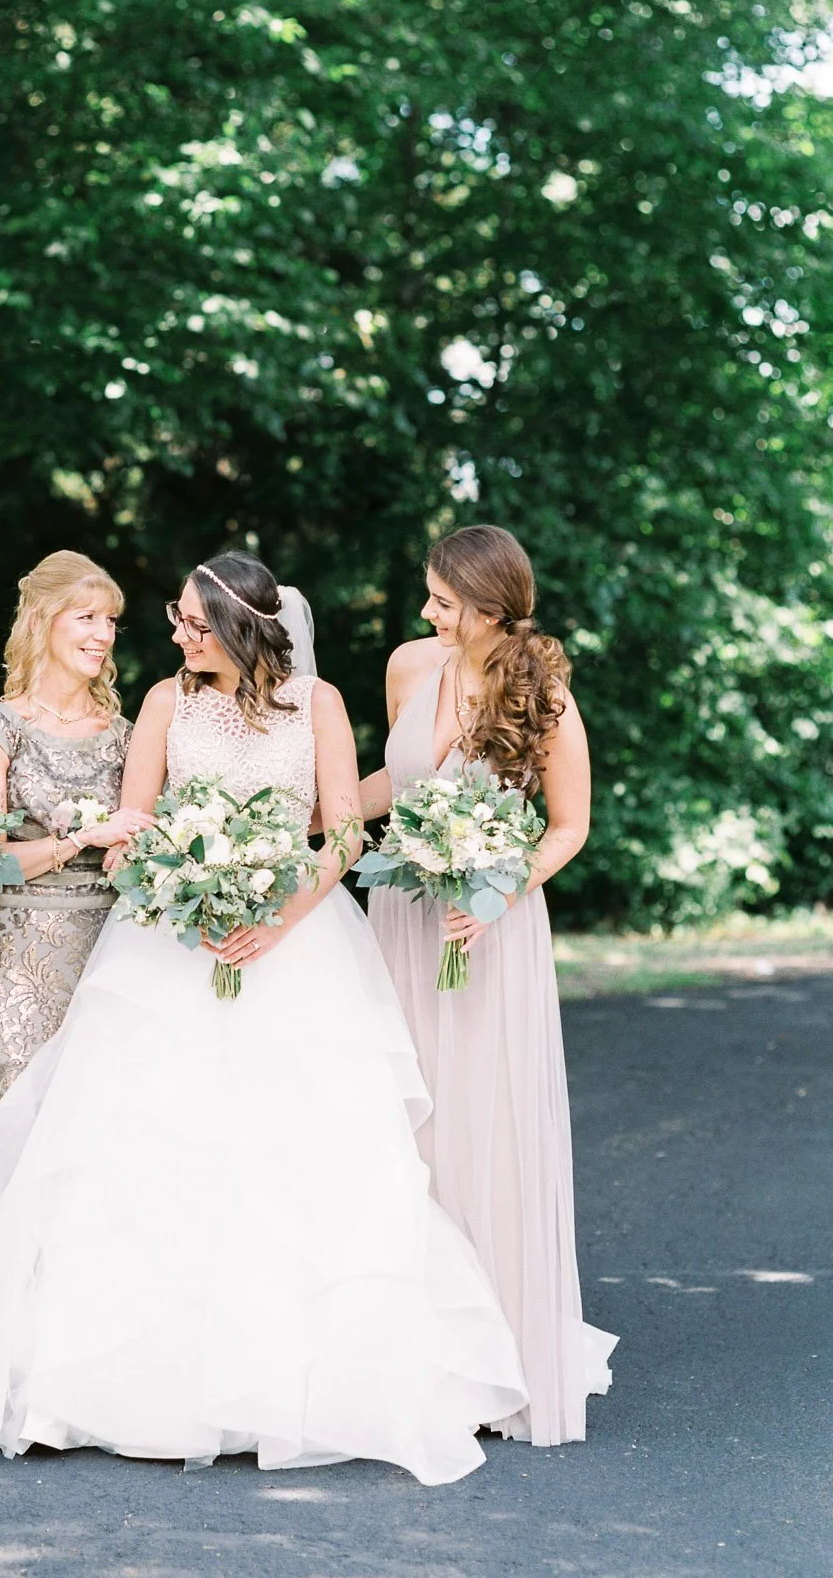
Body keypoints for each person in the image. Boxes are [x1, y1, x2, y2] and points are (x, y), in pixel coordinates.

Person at [0, 552, 528, 1483]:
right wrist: (188, 888)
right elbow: (135, 824)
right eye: (175, 620)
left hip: (298, 944)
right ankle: (84, 1388)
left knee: (295, 1158)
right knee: (136, 1150)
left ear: (239, 624)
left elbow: (341, 829)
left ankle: (298, 1387)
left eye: (188, 621)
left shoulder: (321, 703)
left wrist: (278, 917)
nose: (174, 635)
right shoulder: (167, 705)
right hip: (170, 946)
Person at [361, 524, 616, 1446]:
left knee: (480, 1123)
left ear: (489, 607)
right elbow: (395, 778)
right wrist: (310, 815)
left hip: (489, 928)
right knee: (403, 1122)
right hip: (404, 918)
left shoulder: (540, 688)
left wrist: (500, 890)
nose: (426, 612)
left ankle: (495, 1355)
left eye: (442, 600)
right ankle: (408, 1350)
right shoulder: (406, 666)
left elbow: (568, 824)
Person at [0, 551, 151, 1238]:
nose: (103, 635)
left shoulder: (127, 737)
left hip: (112, 956)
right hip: (15, 966)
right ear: (42, 620)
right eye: (88, 617)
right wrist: (78, 839)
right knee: (12, 1124)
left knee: (101, 1131)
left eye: (112, 622)